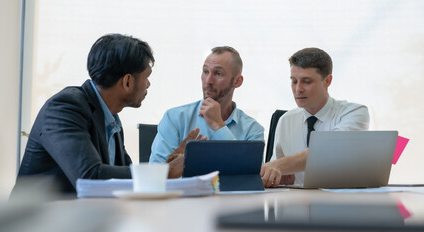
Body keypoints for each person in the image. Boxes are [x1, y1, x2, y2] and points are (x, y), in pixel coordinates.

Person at [12, 34, 178, 195]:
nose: (148, 84)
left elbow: (124, 179)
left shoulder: (112, 119)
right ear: (127, 81)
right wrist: (164, 173)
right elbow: (89, 177)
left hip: (84, 217)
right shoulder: (65, 107)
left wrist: (166, 166)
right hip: (41, 221)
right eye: (146, 77)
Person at [260, 47, 370, 188]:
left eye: (306, 81)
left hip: (341, 203)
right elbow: (275, 171)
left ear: (328, 81)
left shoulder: (354, 113)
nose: (298, 89)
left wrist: (279, 166)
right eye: (294, 81)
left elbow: (328, 151)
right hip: (297, 204)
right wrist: (278, 177)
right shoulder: (286, 120)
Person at [149, 46, 264, 178]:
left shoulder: (253, 130)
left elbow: (252, 178)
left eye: (218, 74)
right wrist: (174, 166)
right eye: (205, 72)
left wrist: (218, 125)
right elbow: (153, 175)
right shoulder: (175, 118)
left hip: (232, 199)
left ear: (237, 81)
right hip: (185, 198)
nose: (208, 81)